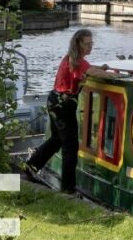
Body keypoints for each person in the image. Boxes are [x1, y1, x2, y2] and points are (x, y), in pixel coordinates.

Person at [25, 29, 94, 193]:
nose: (90, 47)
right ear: (78, 44)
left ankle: (31, 166)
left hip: (54, 100)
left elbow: (88, 69)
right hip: (64, 105)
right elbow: (91, 71)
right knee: (70, 147)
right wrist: (107, 72)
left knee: (57, 139)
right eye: (87, 44)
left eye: (92, 44)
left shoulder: (72, 58)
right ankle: (68, 188)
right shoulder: (77, 61)